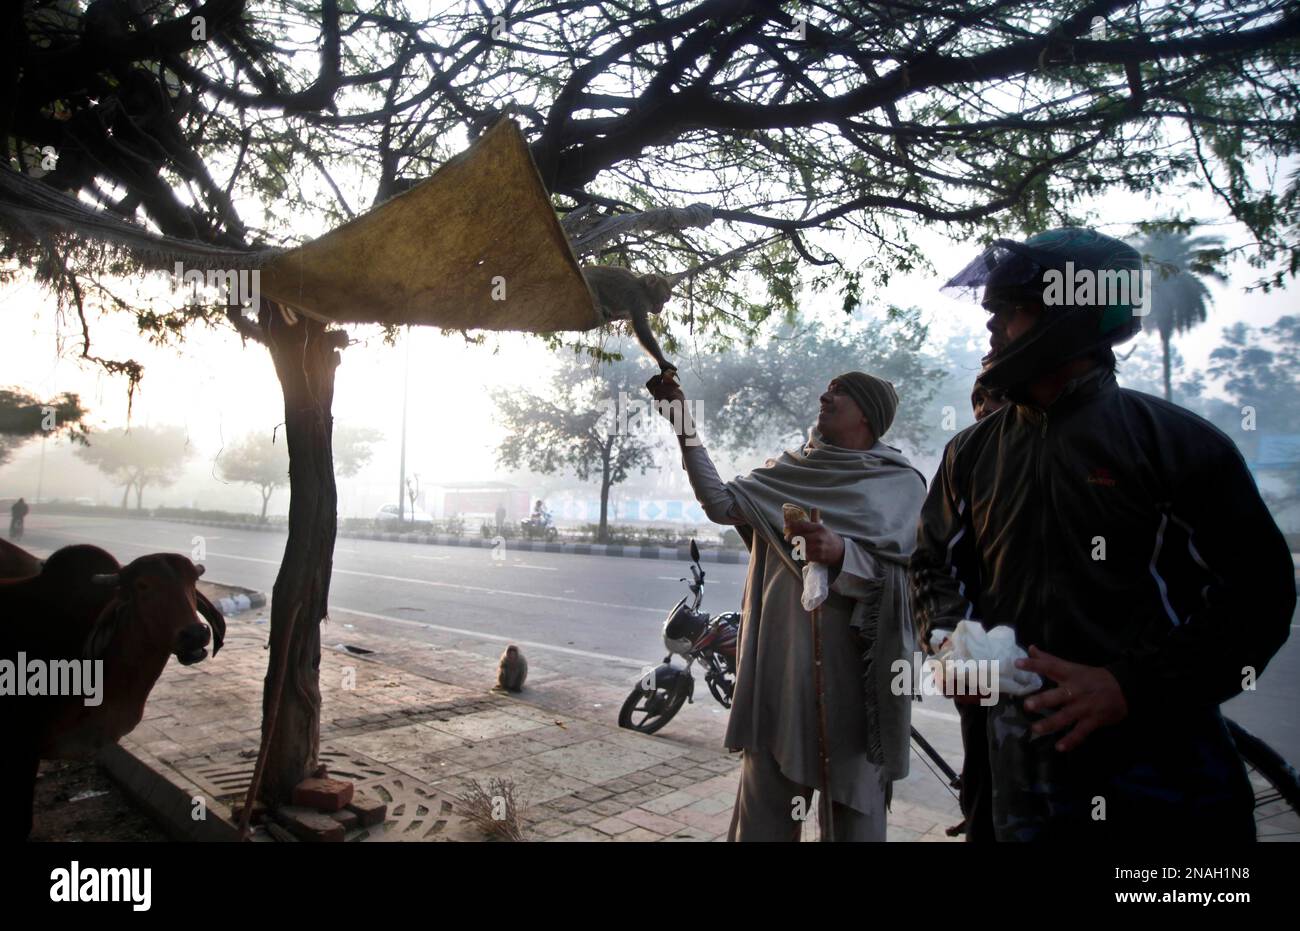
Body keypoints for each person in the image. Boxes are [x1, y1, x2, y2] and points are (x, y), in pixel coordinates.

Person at [911, 227, 1295, 842]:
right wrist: (950, 641)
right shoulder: (970, 453)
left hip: (1159, 786)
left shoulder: (1176, 444)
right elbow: (933, 564)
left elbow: (1259, 595)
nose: (993, 328)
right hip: (1011, 779)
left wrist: (1131, 685)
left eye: (1011, 311)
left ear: (1073, 318)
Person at [648, 371, 926, 841]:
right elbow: (720, 503)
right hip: (781, 673)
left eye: (840, 391)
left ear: (867, 414)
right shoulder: (790, 469)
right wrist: (682, 421)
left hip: (854, 686)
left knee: (854, 819)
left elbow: (914, 580)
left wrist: (844, 555)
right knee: (766, 818)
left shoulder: (900, 485)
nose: (825, 395)